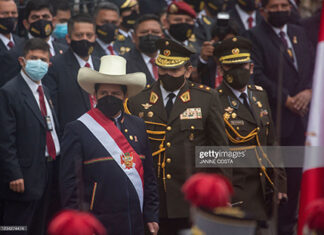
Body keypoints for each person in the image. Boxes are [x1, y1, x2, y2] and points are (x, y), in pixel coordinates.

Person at [125, 38, 229, 234]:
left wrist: (222, 193)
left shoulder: (206, 98)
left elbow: (220, 149)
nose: (168, 75)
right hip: (154, 198)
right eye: (163, 70)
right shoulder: (138, 100)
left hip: (192, 196)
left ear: (188, 70)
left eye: (174, 70)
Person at [60, 55, 159, 235]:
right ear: (95, 95)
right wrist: (76, 221)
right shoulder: (77, 128)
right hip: (96, 222)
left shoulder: (138, 125)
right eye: (104, 93)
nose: (109, 98)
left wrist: (151, 214)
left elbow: (149, 177)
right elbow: (70, 183)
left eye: (115, 94)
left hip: (135, 220)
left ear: (125, 95)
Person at [244, 0, 315, 234]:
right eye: (273, 6)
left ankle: (286, 226)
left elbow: (313, 65)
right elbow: (258, 75)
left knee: (294, 178)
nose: (279, 10)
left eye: (284, 4)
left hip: (301, 121)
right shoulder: (253, 35)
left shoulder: (299, 32)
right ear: (263, 10)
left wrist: (308, 92)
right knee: (267, 178)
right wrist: (286, 99)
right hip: (272, 119)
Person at [214, 36, 287, 234]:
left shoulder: (259, 94)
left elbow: (272, 141)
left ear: (252, 68)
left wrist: (280, 183)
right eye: (232, 66)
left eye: (243, 65)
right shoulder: (213, 101)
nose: (239, 71)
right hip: (235, 191)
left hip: (263, 190)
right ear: (221, 70)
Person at [0, 38, 60, 235]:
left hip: (48, 168)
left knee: (40, 225)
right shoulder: (10, 92)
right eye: (33, 58)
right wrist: (14, 174)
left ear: (49, 64)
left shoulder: (46, 91)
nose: (39, 63)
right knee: (16, 227)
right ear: (22, 61)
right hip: (23, 175)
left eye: (43, 59)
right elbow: (5, 139)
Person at [43, 14, 100, 133]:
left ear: (95, 37)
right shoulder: (55, 66)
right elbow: (54, 111)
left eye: (89, 35)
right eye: (79, 35)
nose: (84, 39)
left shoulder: (102, 64)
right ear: (68, 38)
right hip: (72, 137)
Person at [0, 0, 67, 87]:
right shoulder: (14, 55)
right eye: (35, 17)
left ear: (53, 21)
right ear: (26, 24)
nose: (41, 21)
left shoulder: (65, 50)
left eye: (45, 16)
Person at [198, 14, 239, 88]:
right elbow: (194, 80)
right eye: (220, 43)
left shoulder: (242, 64)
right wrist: (203, 60)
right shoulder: (206, 64)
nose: (224, 48)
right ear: (212, 41)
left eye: (228, 43)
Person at [123, 14, 164, 85]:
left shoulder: (173, 59)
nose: (150, 36)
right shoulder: (124, 64)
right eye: (144, 32)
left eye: (155, 32)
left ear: (162, 36)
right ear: (134, 37)